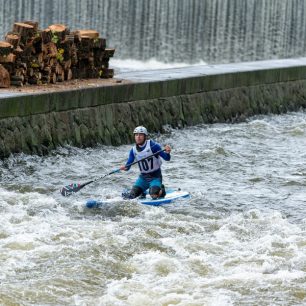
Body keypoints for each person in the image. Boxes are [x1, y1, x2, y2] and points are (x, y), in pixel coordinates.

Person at [120, 126, 171, 199]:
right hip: (143, 178)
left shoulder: (154, 146)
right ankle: (142, 192)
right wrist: (124, 167)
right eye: (136, 135)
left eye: (141, 135)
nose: (138, 137)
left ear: (145, 136)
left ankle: (161, 189)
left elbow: (167, 158)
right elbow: (128, 166)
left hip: (155, 177)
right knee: (131, 196)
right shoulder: (133, 150)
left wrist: (168, 152)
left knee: (154, 195)